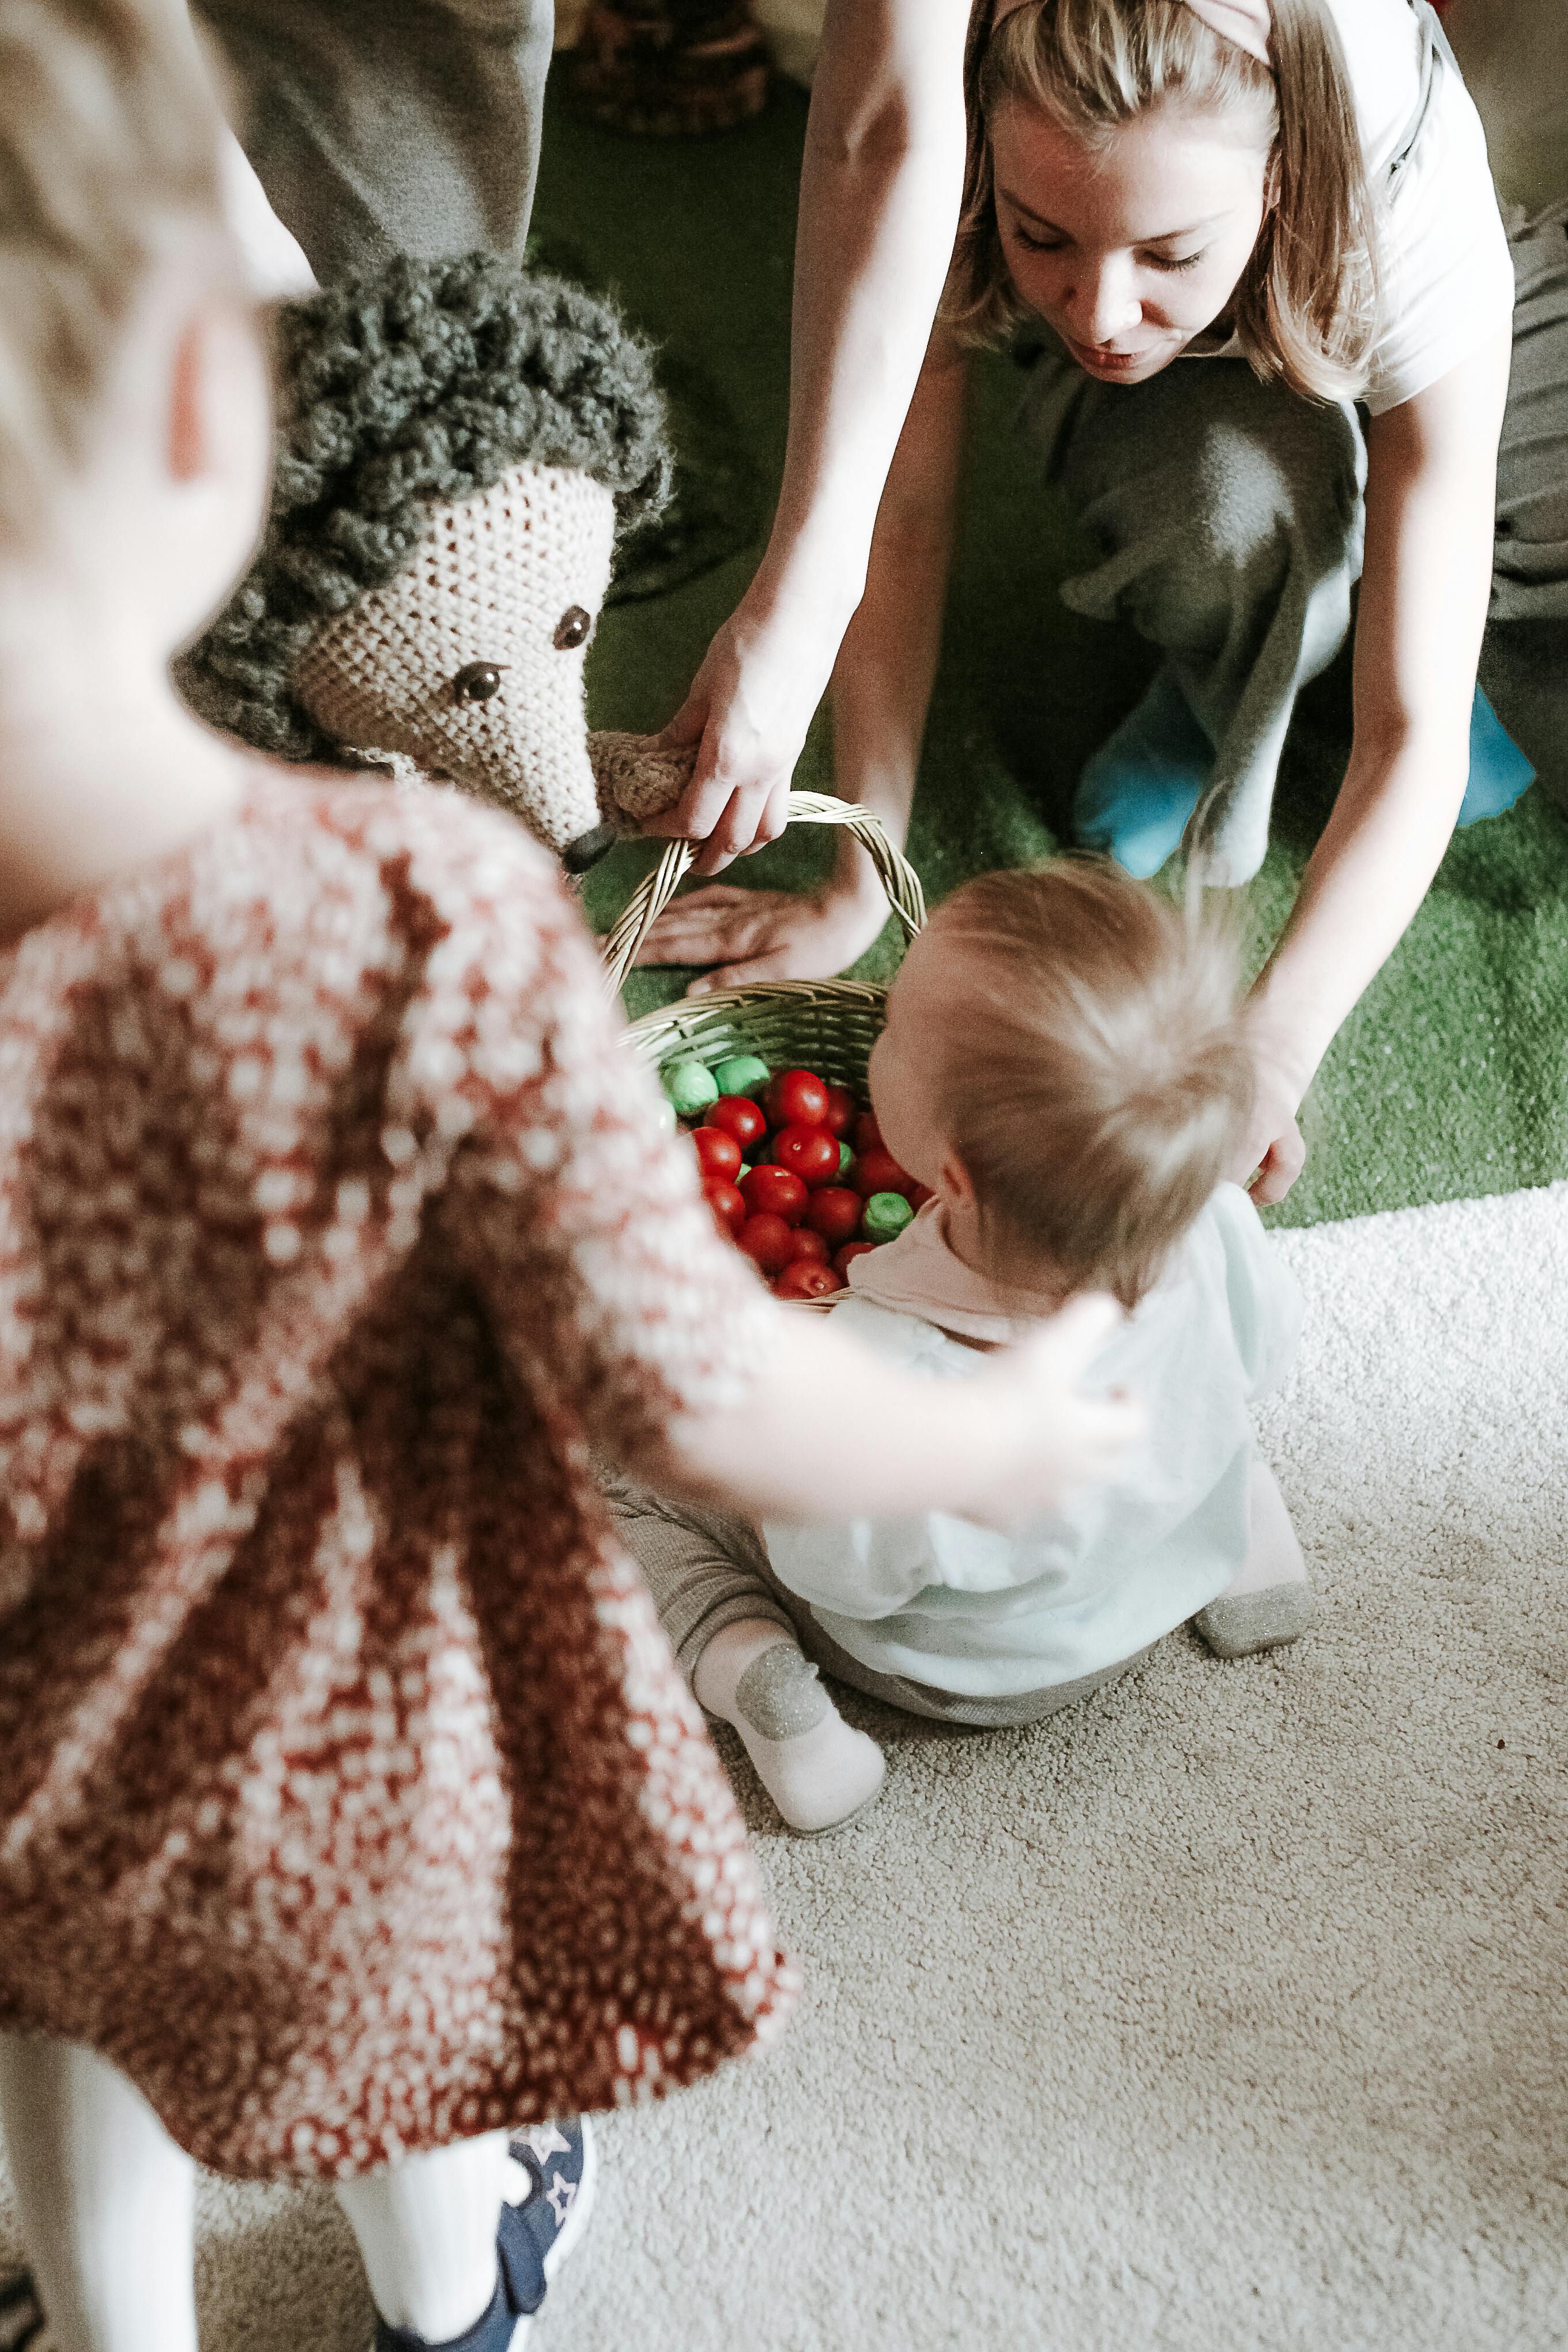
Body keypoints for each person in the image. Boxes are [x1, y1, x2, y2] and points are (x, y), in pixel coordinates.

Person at [0, 9, 1145, 2351]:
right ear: (228, 425)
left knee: (67, 2020)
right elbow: (687, 1382)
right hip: (338, 1714)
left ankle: (101, 2327)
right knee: (424, 2019)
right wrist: (978, 1429)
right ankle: (458, 2282)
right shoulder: (420, 920)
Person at [635, 0, 1568, 1227]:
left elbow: (1414, 740)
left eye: (1167, 254)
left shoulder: (1413, 217)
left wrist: (1269, 1057)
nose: (1101, 314)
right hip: (1215, 368)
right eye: (1044, 240)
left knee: (1497, 552)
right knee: (1228, 513)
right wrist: (859, 870)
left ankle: (1368, 624)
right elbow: (894, 521)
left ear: (1282, 175)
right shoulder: (944, 122)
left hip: (1364, 284)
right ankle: (1226, 667)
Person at [608, 861, 1311, 1837]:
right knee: (1202, 1396)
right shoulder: (1217, 1224)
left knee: (616, 1487)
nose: (882, 1026)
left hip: (970, 1676)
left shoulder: (893, 1369)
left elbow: (831, 1571)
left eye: (891, 1022)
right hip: (1150, 1565)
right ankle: (1239, 1543)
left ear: (952, 1174)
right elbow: (1263, 1355)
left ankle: (760, 1682)